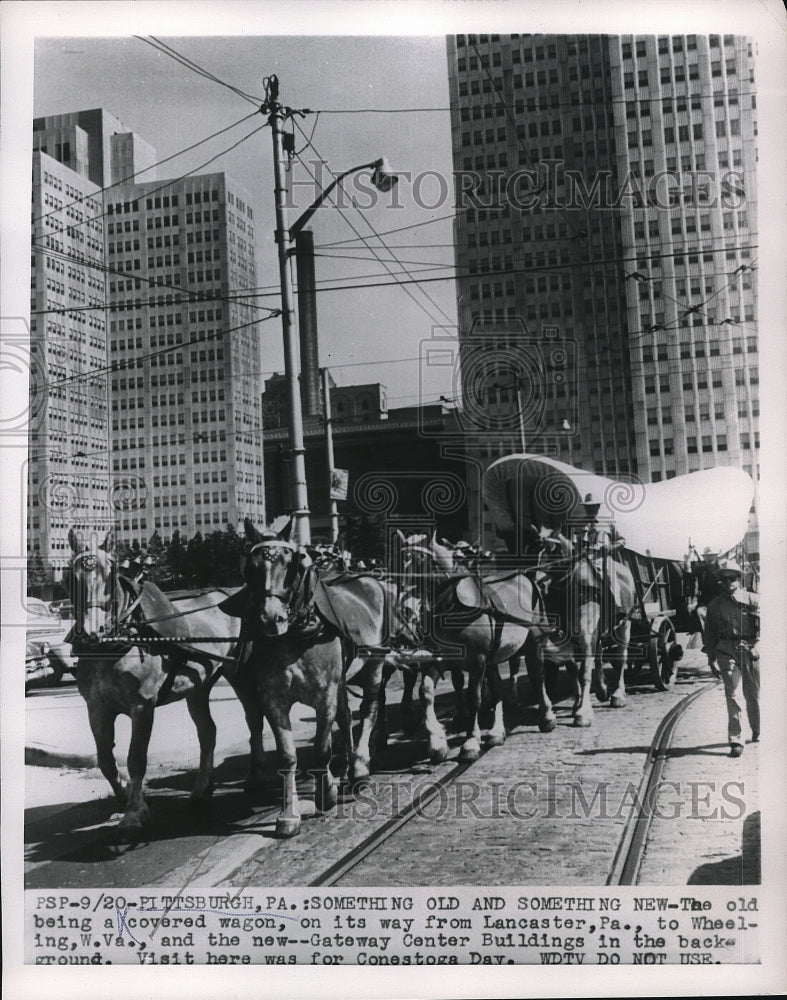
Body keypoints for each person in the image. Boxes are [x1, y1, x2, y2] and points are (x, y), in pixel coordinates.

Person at [703, 561, 760, 758]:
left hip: (750, 648)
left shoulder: (753, 600)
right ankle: (736, 740)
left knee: (753, 694)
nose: (728, 582)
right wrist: (711, 657)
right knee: (732, 694)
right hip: (726, 650)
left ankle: (757, 729)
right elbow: (709, 633)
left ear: (739, 578)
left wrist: (757, 646)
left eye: (732, 578)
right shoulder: (714, 605)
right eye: (724, 579)